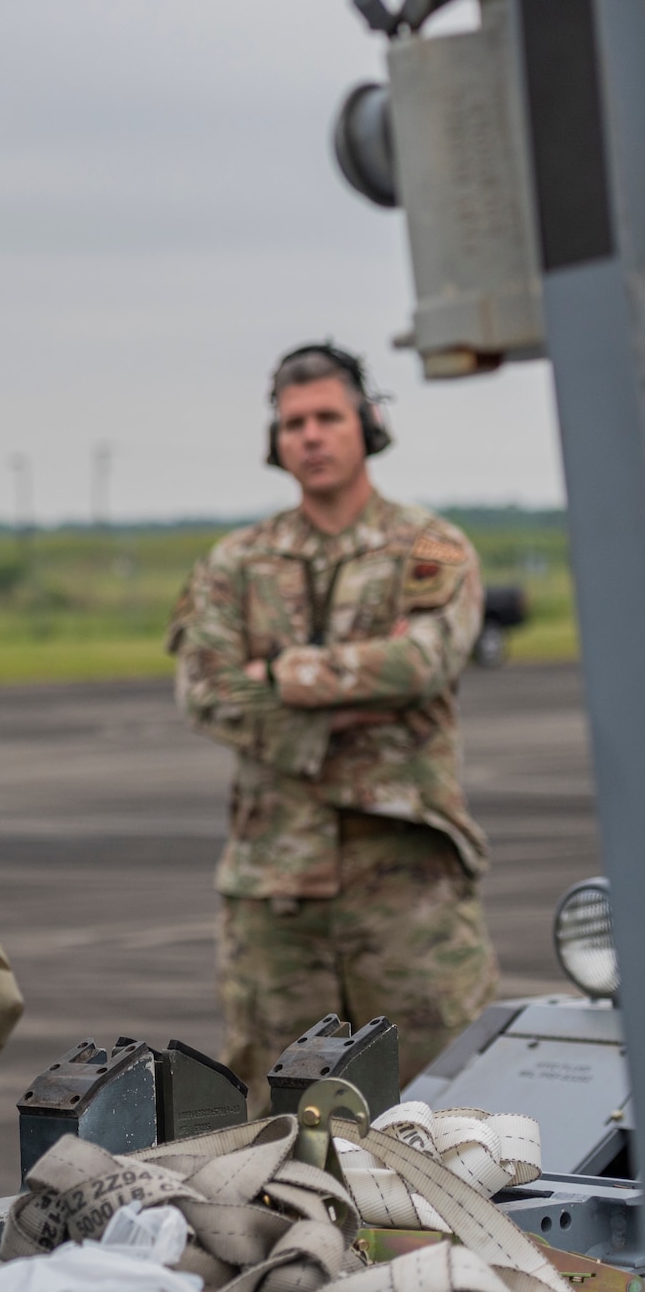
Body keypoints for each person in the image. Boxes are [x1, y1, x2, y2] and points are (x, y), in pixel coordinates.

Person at [166, 342, 499, 1109]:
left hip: (408, 879)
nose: (310, 436)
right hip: (275, 891)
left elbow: (423, 663)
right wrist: (348, 707)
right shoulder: (235, 563)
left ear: (368, 424)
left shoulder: (429, 547)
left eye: (327, 418)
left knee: (447, 1103)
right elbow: (204, 688)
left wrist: (283, 674)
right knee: (277, 1113)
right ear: (275, 441)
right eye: (293, 423)